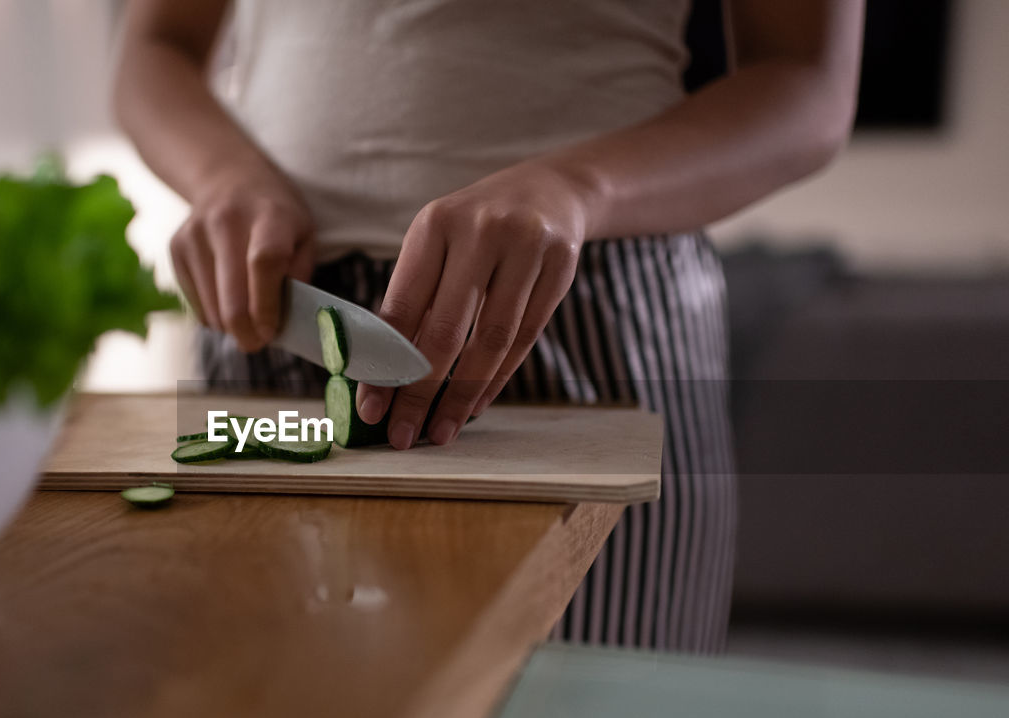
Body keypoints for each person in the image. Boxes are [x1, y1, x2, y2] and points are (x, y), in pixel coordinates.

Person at [114, 0, 864, 652]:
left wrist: (577, 187)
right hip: (275, 313)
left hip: (579, 314)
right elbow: (156, 45)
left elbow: (808, 83)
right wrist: (222, 177)